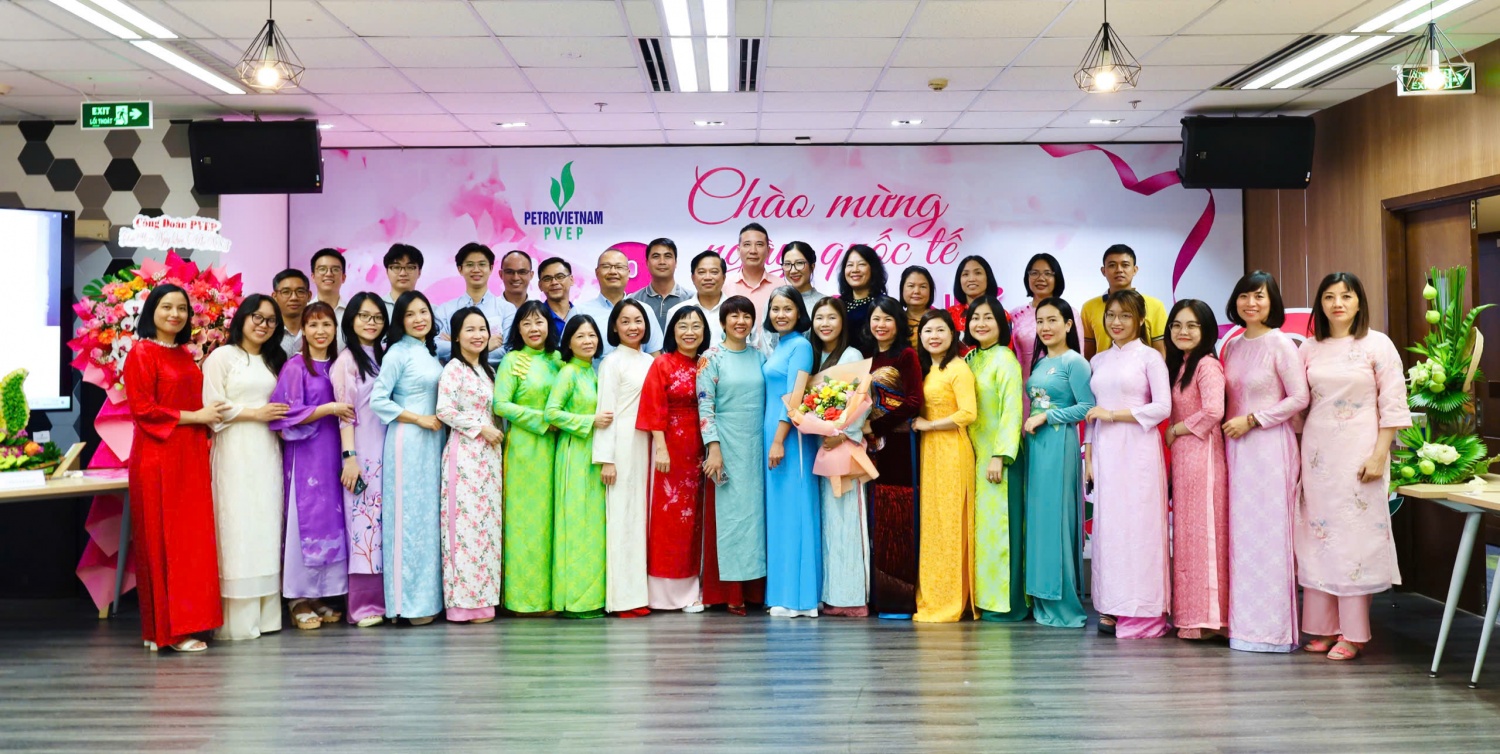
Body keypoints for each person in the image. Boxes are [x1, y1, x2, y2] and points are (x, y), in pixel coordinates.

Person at [1297, 272, 1410, 661]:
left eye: (1346, 296)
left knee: (1353, 541)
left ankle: (1354, 633)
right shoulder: (1308, 348)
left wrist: (1380, 454)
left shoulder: (1377, 344)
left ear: (1359, 301)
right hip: (1317, 456)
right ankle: (1323, 628)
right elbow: (1298, 403)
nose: (1337, 303)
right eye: (1329, 297)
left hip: (1361, 454)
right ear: (1320, 304)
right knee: (1318, 536)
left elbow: (1393, 403)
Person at [125, 284, 224, 652]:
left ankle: (177, 626)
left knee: (188, 541)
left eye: (182, 308)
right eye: (166, 306)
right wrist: (197, 417)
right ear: (152, 310)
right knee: (161, 540)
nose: (175, 314)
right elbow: (143, 410)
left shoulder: (183, 353)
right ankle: (167, 631)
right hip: (158, 457)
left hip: (190, 455)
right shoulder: (141, 352)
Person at [1221, 271, 1308, 653]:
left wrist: (1255, 419)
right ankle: (1242, 627)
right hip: (1236, 450)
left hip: (1270, 448)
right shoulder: (1232, 346)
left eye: (1259, 296)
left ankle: (1273, 633)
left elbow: (1299, 397)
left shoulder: (1280, 344)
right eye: (1244, 296)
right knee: (1241, 536)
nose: (1251, 303)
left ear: (1272, 302)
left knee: (1270, 536)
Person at [1085, 289, 1172, 638]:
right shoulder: (1097, 361)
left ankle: (1143, 608)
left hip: (1138, 451)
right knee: (1110, 528)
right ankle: (1110, 605)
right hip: (1105, 451)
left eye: (1124, 316)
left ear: (1139, 320)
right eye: (1111, 315)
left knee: (1140, 527)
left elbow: (1162, 407)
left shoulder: (1150, 358)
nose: (1116, 322)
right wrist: (1089, 456)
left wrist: (1114, 414)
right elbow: (1091, 413)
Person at [201, 294, 288, 641]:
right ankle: (237, 623)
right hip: (234, 451)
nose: (263, 325)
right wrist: (256, 413)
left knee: (266, 525)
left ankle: (267, 617)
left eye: (270, 320)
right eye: (257, 317)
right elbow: (211, 408)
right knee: (236, 526)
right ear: (243, 318)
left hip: (267, 451)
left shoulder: (273, 360)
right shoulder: (221, 357)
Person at [269, 302, 352, 630]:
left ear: (335, 329)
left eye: (326, 325)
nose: (320, 331)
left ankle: (320, 595)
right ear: (303, 330)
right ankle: (297, 598)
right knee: (304, 521)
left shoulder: (340, 364)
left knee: (332, 520)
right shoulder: (295, 367)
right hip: (305, 455)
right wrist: (328, 408)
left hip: (334, 451)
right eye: (313, 325)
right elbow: (285, 414)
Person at [370, 291, 445, 625]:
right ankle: (406, 605)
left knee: (428, 520)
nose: (419, 319)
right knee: (408, 520)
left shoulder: (428, 351)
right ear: (400, 320)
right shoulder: (397, 352)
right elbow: (378, 400)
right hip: (408, 441)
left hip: (432, 441)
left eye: (423, 312)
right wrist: (418, 419)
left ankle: (427, 600)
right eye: (410, 314)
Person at [1022, 297, 1095, 628]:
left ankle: (1063, 604)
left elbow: (1087, 406)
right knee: (1039, 520)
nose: (1045, 327)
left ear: (1068, 324)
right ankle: (1042, 598)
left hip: (1059, 443)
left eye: (1052, 320)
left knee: (1057, 519)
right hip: (1037, 446)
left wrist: (1047, 417)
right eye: (1040, 321)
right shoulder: (1039, 363)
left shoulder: (1075, 362)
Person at [698, 296, 768, 614]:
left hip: (757, 447)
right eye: (734, 316)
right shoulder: (711, 358)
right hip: (725, 445)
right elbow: (705, 406)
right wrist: (713, 447)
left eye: (747, 316)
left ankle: (756, 591)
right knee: (730, 517)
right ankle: (730, 592)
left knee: (756, 518)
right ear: (723, 321)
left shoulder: (759, 356)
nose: (741, 321)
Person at [638, 306, 710, 612]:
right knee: (668, 517)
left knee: (695, 520)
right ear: (672, 331)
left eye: (696, 326)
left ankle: (692, 589)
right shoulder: (662, 363)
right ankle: (662, 593)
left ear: (705, 331)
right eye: (683, 326)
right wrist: (661, 447)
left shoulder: (706, 364)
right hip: (670, 447)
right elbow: (654, 405)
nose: (689, 332)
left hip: (701, 448)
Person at [1164, 299, 1229, 642]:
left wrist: (1177, 429)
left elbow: (1214, 411)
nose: (1183, 331)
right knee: (1188, 536)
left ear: (1206, 330)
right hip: (1184, 460)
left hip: (1203, 457)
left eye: (1192, 325)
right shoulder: (1181, 365)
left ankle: (1210, 619)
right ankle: (1192, 615)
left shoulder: (1206, 365)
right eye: (1177, 325)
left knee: (1204, 535)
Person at [435, 307, 505, 624]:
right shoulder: (454, 368)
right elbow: (444, 410)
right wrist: (481, 428)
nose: (478, 335)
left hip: (488, 460)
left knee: (486, 529)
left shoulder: (487, 370)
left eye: (482, 329)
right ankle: (462, 604)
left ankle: (485, 600)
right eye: (470, 329)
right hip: (464, 455)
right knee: (463, 528)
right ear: (456, 336)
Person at [494, 301, 562, 614]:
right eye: (526, 323)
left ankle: (549, 597)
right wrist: (543, 419)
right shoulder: (512, 360)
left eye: (539, 322)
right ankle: (521, 599)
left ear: (549, 326)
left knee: (551, 522)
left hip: (556, 449)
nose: (534, 329)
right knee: (525, 522)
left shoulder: (558, 360)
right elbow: (500, 404)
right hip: (523, 450)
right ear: (518, 329)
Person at [964, 295, 1026, 622]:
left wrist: (999, 456)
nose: (981, 323)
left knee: (1002, 529)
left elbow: (1012, 411)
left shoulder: (1006, 359)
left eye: (988, 317)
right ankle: (983, 599)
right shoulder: (970, 358)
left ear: (1001, 324)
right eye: (975, 318)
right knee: (981, 531)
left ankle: (1007, 604)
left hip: (999, 460)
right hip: (972, 457)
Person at [912, 310, 977, 623]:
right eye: (928, 331)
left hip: (952, 450)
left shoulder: (958, 368)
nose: (934, 336)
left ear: (953, 335)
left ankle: (951, 600)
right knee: (934, 525)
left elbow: (968, 413)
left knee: (950, 525)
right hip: (931, 452)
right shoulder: (928, 369)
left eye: (940, 330)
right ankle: (934, 594)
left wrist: (930, 425)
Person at [806, 297, 869, 617]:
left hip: (844, 447)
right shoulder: (813, 355)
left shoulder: (852, 355)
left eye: (832, 317)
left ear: (843, 321)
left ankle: (852, 598)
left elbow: (861, 401)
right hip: (820, 446)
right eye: (819, 317)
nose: (825, 323)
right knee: (829, 522)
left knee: (846, 520)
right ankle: (831, 594)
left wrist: (843, 433)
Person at [331, 293, 390, 627]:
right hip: (362, 453)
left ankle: (389, 599)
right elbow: (345, 414)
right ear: (351, 319)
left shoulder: (384, 355)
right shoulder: (347, 361)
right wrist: (350, 457)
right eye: (364, 316)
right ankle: (364, 605)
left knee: (383, 525)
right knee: (364, 527)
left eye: (377, 317)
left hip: (388, 451)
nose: (371, 322)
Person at [762, 286, 821, 618]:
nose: (780, 314)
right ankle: (784, 594)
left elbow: (794, 397)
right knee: (780, 515)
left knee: (796, 511)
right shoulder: (780, 344)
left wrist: (778, 440)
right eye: (775, 309)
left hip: (789, 438)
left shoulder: (801, 346)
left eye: (787, 308)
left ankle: (803, 599)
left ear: (799, 312)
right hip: (772, 434)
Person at [594, 300, 655, 617]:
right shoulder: (612, 362)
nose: (633, 327)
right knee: (622, 520)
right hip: (621, 446)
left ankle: (640, 594)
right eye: (626, 321)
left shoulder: (650, 361)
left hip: (647, 444)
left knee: (641, 520)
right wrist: (607, 458)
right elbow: (605, 411)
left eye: (638, 320)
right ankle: (621, 600)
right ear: (615, 327)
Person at [545, 315, 609, 618]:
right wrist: (589, 421)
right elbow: (551, 413)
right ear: (568, 342)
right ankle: (573, 599)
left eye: (592, 335)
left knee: (593, 525)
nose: (588, 341)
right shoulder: (569, 372)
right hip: (574, 452)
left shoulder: (593, 371)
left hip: (594, 453)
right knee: (576, 524)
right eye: (580, 336)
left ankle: (593, 596)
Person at [865, 296, 923, 619]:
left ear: (898, 323)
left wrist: (876, 425)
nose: (881, 325)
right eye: (876, 319)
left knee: (899, 517)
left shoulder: (906, 355)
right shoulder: (868, 357)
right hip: (873, 446)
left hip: (901, 443)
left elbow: (914, 402)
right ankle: (881, 596)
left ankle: (901, 600)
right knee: (879, 519)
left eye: (887, 319)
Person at [571, 248, 663, 359]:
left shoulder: (644, 310)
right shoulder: (579, 312)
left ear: (628, 273)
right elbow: (568, 354)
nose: (613, 272)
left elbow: (655, 356)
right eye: (606, 266)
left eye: (619, 267)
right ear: (597, 272)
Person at [435, 242, 516, 366]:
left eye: (482, 264)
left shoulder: (507, 309)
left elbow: (507, 351)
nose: (476, 270)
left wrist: (455, 345)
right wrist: (486, 346)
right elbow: (436, 347)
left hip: (494, 377)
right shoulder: (445, 310)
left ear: (491, 268)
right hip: (455, 376)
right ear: (460, 269)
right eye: (470, 265)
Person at [1081, 244, 1167, 359]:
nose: (1119, 270)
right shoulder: (1089, 307)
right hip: (1102, 369)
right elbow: (1088, 354)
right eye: (1112, 265)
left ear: (1135, 270)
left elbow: (1161, 353)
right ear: (1103, 271)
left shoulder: (1155, 305)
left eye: (1125, 265)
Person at [1011, 253, 1066, 384]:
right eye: (1034, 273)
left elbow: (1078, 356)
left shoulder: (1069, 313)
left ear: (1057, 277)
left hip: (1058, 388)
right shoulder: (1016, 314)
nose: (1041, 278)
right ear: (1027, 277)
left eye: (1048, 273)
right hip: (1021, 387)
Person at [667, 250, 727, 346]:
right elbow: (669, 349)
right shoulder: (675, 312)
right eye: (701, 272)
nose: (708, 277)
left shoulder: (739, 312)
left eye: (714, 272)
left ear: (724, 277)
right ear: (693, 278)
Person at [629, 237, 691, 323]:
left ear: (676, 262)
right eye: (656, 256)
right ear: (647, 263)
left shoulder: (691, 299)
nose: (662, 262)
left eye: (668, 256)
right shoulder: (633, 300)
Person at [838, 244, 888, 342]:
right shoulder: (838, 303)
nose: (855, 270)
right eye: (850, 265)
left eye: (861, 264)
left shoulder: (884, 305)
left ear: (873, 269)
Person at [726, 222, 777, 314]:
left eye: (759, 244)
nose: (753, 251)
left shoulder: (781, 286)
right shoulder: (725, 286)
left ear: (768, 251)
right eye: (747, 244)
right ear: (738, 251)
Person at [948, 255, 1000, 334]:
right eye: (965, 274)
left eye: (978, 273)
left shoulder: (999, 314)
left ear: (988, 278)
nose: (971, 279)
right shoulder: (949, 315)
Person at [310, 248, 348, 343]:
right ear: (313, 277)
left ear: (343, 277)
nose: (329, 274)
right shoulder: (304, 312)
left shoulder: (352, 313)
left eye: (335, 269)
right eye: (322, 269)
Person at [538, 256, 575, 347]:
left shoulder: (581, 314)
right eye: (547, 279)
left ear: (571, 280)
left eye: (560, 277)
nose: (554, 282)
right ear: (540, 285)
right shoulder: (536, 317)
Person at [779, 241, 826, 312]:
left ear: (812, 266)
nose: (793, 271)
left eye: (799, 263)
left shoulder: (826, 304)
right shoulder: (775, 303)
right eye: (787, 264)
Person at [273, 268, 311, 354]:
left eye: (300, 291)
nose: (294, 298)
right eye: (286, 292)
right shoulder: (268, 330)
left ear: (309, 295)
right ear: (274, 297)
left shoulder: (317, 330)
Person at [899, 266, 937, 350]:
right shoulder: (896, 319)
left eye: (923, 287)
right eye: (911, 286)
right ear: (902, 290)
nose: (916, 291)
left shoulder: (940, 319)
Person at [383, 243, 423, 308]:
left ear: (419, 272)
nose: (403, 273)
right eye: (396, 267)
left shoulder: (432, 311)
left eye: (410, 267)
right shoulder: (375, 309)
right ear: (387, 272)